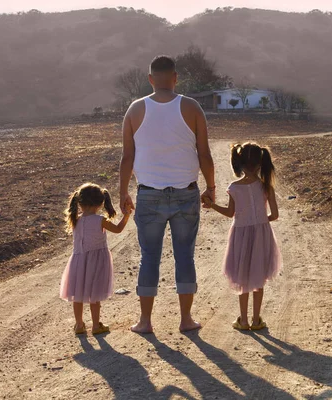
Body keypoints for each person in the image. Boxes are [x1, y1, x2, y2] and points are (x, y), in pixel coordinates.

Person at [119, 55, 216, 333]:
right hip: (186, 193)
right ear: (175, 78)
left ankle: (145, 321)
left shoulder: (135, 110)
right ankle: (186, 320)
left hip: (148, 194)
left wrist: (123, 190)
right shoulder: (191, 107)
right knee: (185, 256)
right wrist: (210, 188)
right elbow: (205, 154)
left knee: (149, 256)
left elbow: (128, 157)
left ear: (150, 79)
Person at [203, 142, 283, 331]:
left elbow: (230, 213)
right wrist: (262, 222)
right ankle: (256, 320)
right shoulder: (266, 187)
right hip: (262, 233)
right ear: (260, 163)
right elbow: (275, 215)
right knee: (258, 276)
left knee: (242, 276)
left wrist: (212, 205)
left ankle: (243, 320)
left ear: (239, 163)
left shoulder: (234, 187)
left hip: (240, 233)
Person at [59, 183, 131, 335]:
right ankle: (96, 326)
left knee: (77, 295)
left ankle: (79, 325)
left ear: (79, 202)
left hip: (77, 262)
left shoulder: (75, 219)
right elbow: (118, 230)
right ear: (100, 203)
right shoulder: (100, 220)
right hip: (96, 262)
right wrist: (126, 216)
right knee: (95, 295)